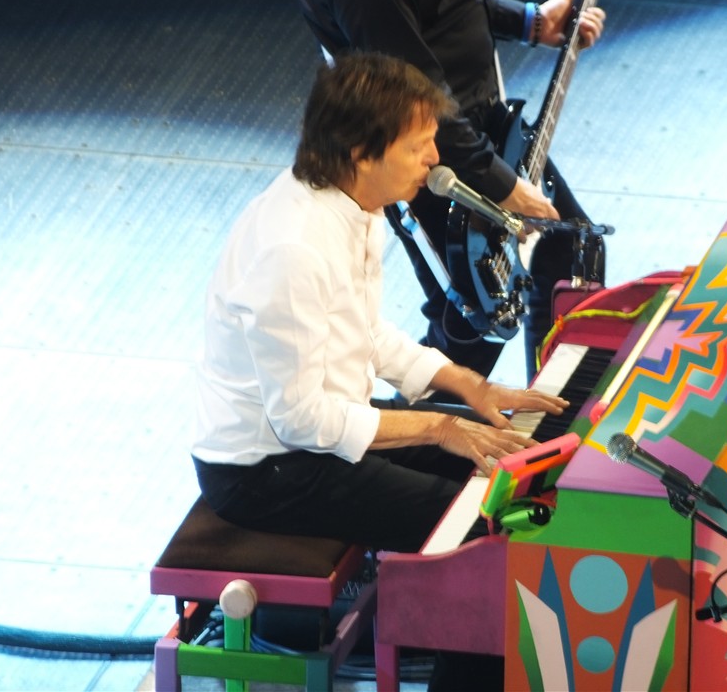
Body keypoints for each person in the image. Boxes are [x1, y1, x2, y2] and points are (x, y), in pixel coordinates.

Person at [192, 52, 567, 557]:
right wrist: (437, 427)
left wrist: (467, 384)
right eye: (417, 146)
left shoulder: (352, 199)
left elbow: (364, 332)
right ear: (361, 153)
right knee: (481, 521)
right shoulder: (294, 249)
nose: (435, 158)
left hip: (327, 422)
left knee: (518, 458)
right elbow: (300, 420)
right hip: (265, 469)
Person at [290, 0, 607, 382]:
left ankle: (554, 416)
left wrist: (529, 22)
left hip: (471, 126)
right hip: (428, 157)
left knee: (570, 253)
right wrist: (497, 182)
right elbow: (406, 82)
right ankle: (406, 429)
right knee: (472, 332)